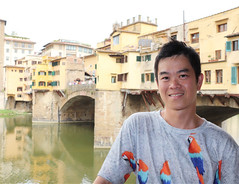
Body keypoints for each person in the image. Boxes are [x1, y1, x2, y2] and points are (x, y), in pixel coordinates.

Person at [93, 39, 239, 184]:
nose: (173, 85)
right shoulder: (137, 126)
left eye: (182, 76)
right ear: (157, 83)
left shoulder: (224, 146)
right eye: (165, 78)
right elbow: (107, 180)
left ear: (199, 81)